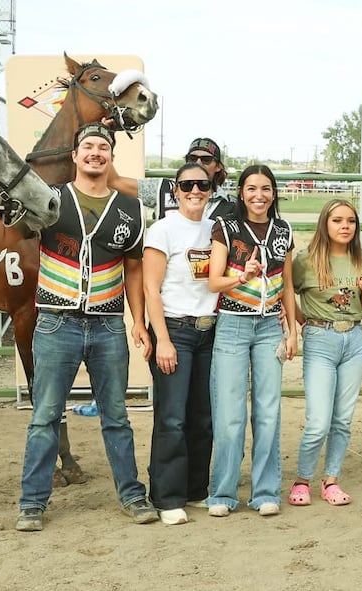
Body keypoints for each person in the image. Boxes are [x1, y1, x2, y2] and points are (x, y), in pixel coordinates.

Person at [16, 123, 157, 532]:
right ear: (75, 156)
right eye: (88, 147)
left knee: (116, 415)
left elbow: (133, 268)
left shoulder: (130, 208)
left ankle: (132, 495)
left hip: (108, 324)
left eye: (103, 147)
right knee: (45, 415)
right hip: (56, 322)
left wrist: (139, 322)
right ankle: (32, 503)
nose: (96, 153)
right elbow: (15, 232)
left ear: (111, 157)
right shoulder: (50, 199)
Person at [206, 164, 298, 517]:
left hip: (269, 329)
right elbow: (214, 282)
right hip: (232, 324)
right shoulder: (226, 229)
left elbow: (287, 285)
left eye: (266, 189)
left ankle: (265, 492)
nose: (259, 195)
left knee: (268, 412)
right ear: (241, 193)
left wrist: (292, 330)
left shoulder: (283, 230)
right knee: (230, 414)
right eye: (251, 188)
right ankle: (223, 494)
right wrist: (241, 276)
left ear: (274, 193)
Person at [142, 162, 219, 526]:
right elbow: (150, 289)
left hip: (210, 331)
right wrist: (163, 340)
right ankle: (166, 495)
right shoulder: (163, 230)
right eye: (187, 184)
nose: (194, 191)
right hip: (175, 328)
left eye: (202, 185)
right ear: (175, 189)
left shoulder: (216, 230)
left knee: (202, 417)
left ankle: (195, 488)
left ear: (211, 189)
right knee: (172, 416)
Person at [287, 199, 362, 507]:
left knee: (343, 418)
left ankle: (331, 479)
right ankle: (302, 479)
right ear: (325, 223)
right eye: (337, 220)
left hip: (353, 338)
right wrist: (302, 321)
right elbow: (287, 291)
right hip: (320, 337)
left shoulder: (361, 258)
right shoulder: (307, 260)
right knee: (318, 421)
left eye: (350, 220)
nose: (345, 226)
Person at [158, 137, 234, 221]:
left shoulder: (231, 204)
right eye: (192, 159)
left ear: (218, 166)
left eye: (206, 160)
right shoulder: (163, 188)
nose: (198, 163)